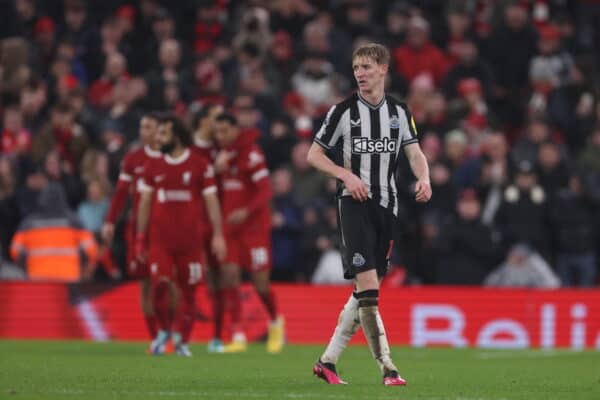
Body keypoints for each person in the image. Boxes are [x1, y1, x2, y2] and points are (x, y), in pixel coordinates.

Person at [307, 43, 431, 386]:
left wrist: (424, 177)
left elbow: (415, 152)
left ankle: (327, 362)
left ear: (382, 69)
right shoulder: (343, 112)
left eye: (366, 67)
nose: (360, 73)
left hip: (386, 206)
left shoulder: (399, 112)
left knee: (365, 291)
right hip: (353, 205)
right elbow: (313, 156)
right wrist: (345, 174)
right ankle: (388, 368)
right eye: (356, 67)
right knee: (369, 287)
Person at [136, 114, 226, 357]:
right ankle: (163, 331)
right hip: (160, 241)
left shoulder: (199, 164)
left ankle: (182, 341)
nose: (158, 138)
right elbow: (145, 202)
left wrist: (218, 235)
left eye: (163, 133)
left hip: (191, 243)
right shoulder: (152, 166)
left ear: (176, 135)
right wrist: (140, 238)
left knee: (189, 292)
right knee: (160, 286)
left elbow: (211, 201)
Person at [212, 112, 284, 354]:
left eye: (224, 131)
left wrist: (245, 211)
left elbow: (265, 191)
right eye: (217, 132)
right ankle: (238, 335)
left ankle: (275, 323)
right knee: (229, 277)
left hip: (254, 230)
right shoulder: (220, 157)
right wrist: (216, 171)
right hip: (229, 230)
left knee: (261, 284)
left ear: (234, 130)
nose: (219, 136)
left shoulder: (252, 154)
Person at [101, 113, 163, 344]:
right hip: (139, 229)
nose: (142, 131)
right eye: (141, 126)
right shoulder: (133, 159)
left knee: (168, 283)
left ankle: (174, 332)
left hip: (167, 231)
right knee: (146, 284)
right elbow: (120, 193)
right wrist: (109, 221)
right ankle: (156, 337)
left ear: (160, 130)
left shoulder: (171, 158)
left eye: (148, 127)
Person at [10, 183, 98, 282]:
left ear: (42, 198)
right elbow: (91, 251)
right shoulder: (74, 222)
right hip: (68, 279)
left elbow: (15, 252)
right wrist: (83, 266)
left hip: (37, 279)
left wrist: (26, 266)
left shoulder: (28, 224)